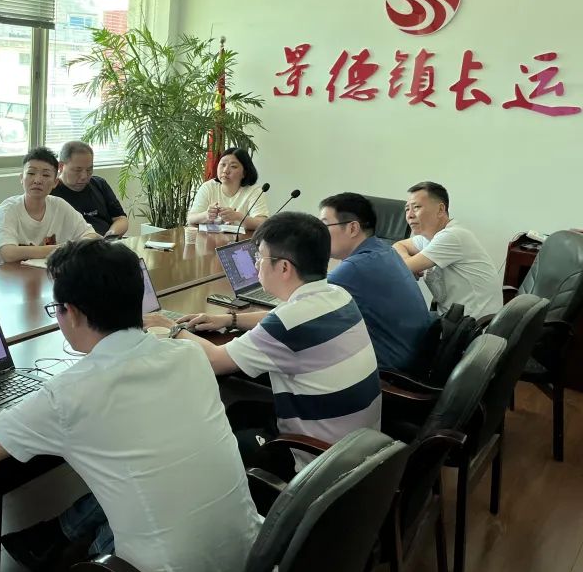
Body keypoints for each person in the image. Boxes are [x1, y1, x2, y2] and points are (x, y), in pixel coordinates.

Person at [0, 239, 260, 572]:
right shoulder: (189, 355)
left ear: (73, 314)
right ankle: (50, 541)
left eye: (57, 309)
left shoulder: (72, 393)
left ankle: (53, 553)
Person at [152, 212, 381, 472]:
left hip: (316, 462)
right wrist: (230, 319)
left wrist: (169, 326)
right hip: (359, 450)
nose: (256, 264)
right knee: (239, 407)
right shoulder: (337, 294)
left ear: (284, 268)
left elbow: (216, 360)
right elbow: (281, 317)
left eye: (259, 257)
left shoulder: (289, 322)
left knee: (211, 443)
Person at [318, 193, 433, 373]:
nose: (319, 233)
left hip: (390, 372)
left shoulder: (355, 267)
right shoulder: (384, 251)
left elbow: (303, 305)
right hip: (414, 356)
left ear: (352, 228)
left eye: (324, 225)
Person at [392, 181, 502, 319]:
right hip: (450, 318)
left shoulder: (452, 236)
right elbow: (398, 246)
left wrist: (409, 265)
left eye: (416, 207)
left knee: (397, 321)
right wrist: (408, 262)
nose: (409, 215)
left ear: (440, 209)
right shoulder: (428, 237)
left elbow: (401, 267)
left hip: (473, 325)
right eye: (407, 209)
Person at [0, 147, 99, 264]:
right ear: (21, 178)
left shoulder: (59, 205)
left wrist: (70, 248)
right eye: (31, 173)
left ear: (55, 182)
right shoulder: (8, 208)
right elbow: (7, 253)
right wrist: (60, 249)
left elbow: (92, 236)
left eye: (45, 175)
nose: (37, 180)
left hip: (41, 271)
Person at [51, 141, 128, 237]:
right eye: (78, 170)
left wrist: (110, 236)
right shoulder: (50, 192)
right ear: (61, 166)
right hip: (74, 244)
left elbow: (121, 218)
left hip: (106, 242)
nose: (84, 176)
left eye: (89, 170)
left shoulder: (99, 184)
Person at [186, 147, 268, 232]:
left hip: (243, 239)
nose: (225, 170)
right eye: (223, 165)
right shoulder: (208, 187)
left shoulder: (254, 191)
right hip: (211, 239)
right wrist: (206, 215)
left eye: (233, 166)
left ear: (244, 173)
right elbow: (190, 218)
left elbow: (262, 223)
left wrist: (237, 216)